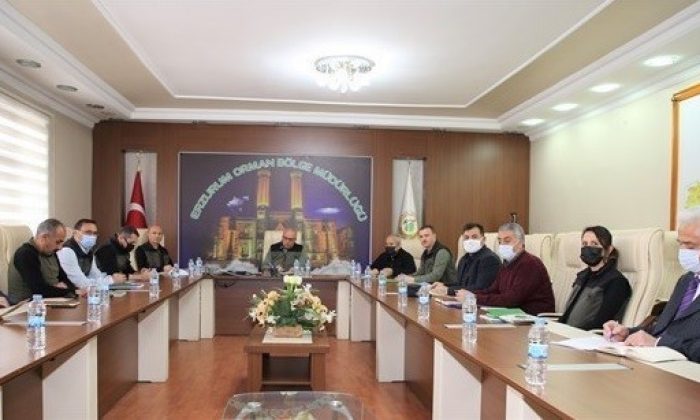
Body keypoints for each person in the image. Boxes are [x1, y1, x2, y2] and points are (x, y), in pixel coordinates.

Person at [603, 207, 700, 362]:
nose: (683, 252)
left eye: (690, 246)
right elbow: (663, 327)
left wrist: (659, 343)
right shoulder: (686, 280)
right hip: (658, 363)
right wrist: (628, 332)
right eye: (680, 244)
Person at [465, 222, 554, 315]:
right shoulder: (507, 263)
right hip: (514, 315)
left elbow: (511, 300)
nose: (502, 245)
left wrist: (474, 298)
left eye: (507, 241)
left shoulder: (530, 263)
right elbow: (493, 290)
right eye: (500, 241)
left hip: (534, 318)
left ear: (520, 242)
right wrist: (469, 294)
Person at [558, 226, 631, 330]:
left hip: (587, 336)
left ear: (609, 249)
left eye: (594, 244)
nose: (588, 248)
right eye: (585, 244)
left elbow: (601, 323)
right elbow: (567, 314)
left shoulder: (617, 282)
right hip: (567, 333)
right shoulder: (582, 276)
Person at [8, 218, 77, 302]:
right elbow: (39, 290)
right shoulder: (25, 253)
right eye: (58, 242)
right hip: (26, 305)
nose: (60, 247)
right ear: (44, 237)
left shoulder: (51, 252)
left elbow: (65, 279)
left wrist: (72, 290)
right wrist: (68, 291)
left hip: (52, 301)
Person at [432, 223, 500, 296]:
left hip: (479, 300)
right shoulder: (463, 259)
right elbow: (460, 284)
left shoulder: (489, 259)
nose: (470, 241)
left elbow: (480, 288)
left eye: (474, 237)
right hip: (462, 299)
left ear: (483, 240)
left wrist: (448, 290)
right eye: (466, 238)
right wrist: (444, 285)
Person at [57, 218, 123, 289]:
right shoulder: (67, 251)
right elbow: (80, 283)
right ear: (75, 233)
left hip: (81, 292)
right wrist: (110, 280)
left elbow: (95, 275)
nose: (92, 236)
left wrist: (111, 278)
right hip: (66, 292)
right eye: (88, 232)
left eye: (95, 233)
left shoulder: (88, 251)